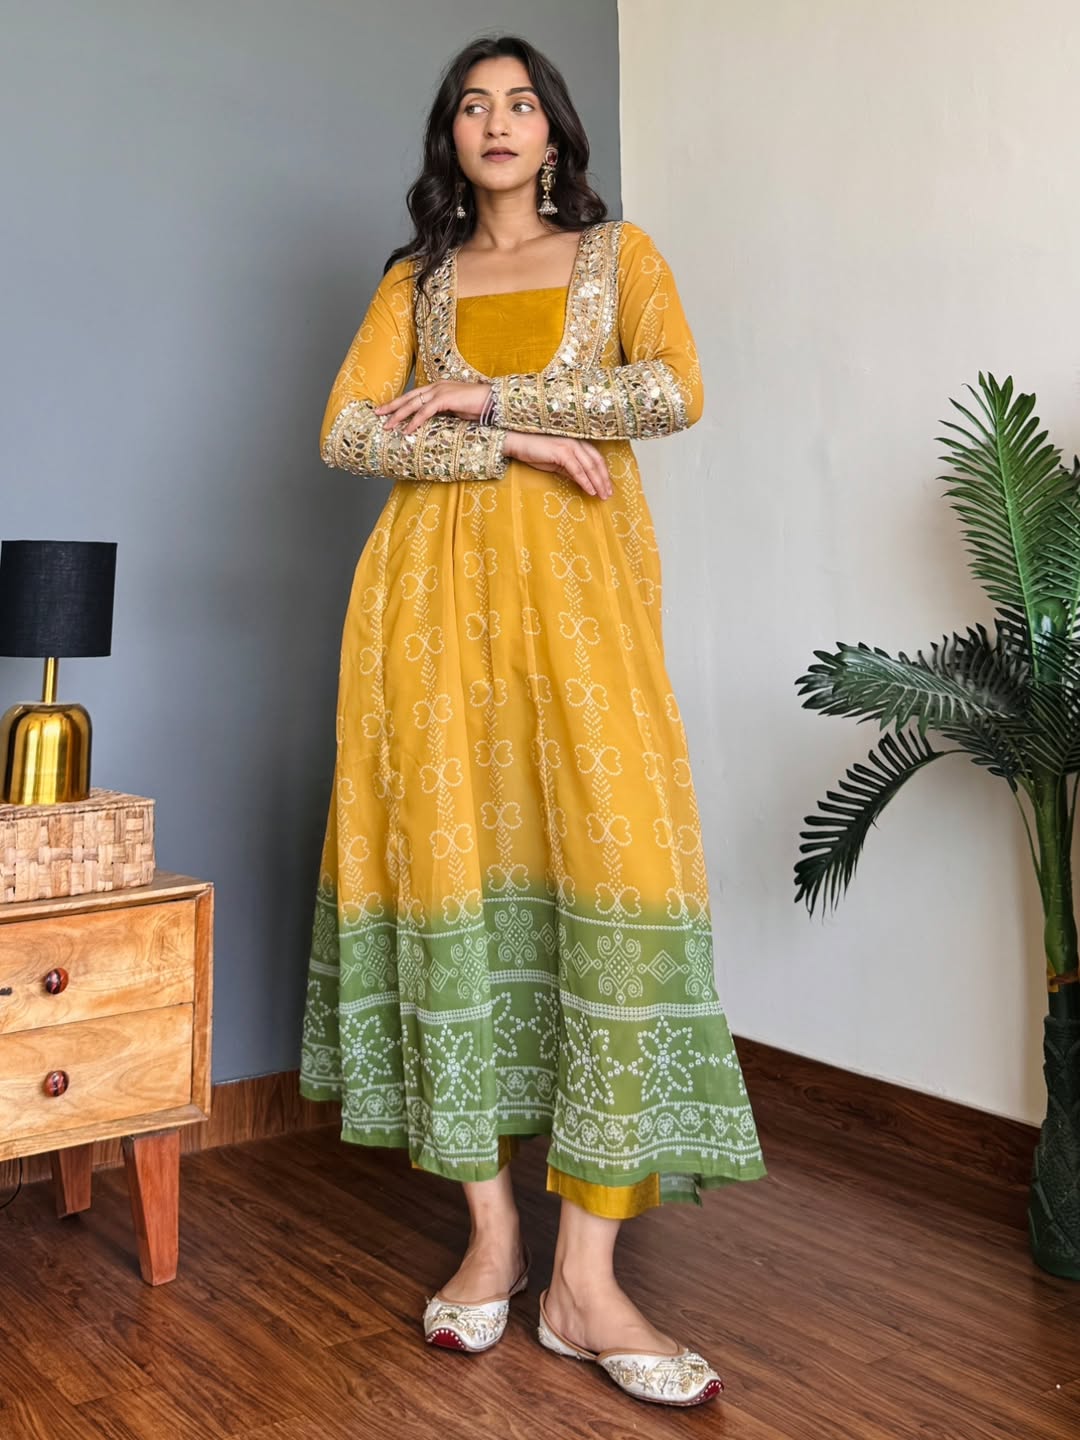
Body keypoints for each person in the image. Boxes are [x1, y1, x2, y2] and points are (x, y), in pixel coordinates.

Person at [299, 33, 765, 1408]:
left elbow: (672, 390)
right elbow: (344, 430)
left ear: (553, 132)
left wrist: (503, 392)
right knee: (451, 896)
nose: (495, 123)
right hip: (426, 623)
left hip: (584, 619)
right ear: (451, 137)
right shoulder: (417, 282)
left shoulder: (624, 262)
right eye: (470, 105)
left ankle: (589, 1281)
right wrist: (504, 445)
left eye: (518, 103)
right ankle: (495, 1243)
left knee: (616, 890)